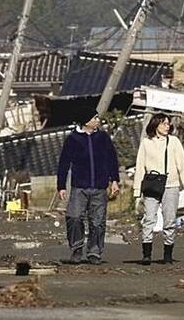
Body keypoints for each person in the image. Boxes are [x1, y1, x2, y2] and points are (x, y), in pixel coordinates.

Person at [57, 105, 120, 265]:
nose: (97, 120)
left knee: (98, 222)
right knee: (74, 217)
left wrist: (115, 180)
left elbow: (112, 159)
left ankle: (94, 252)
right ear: (85, 122)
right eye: (94, 118)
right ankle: (77, 248)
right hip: (80, 186)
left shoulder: (103, 138)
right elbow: (64, 163)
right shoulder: (73, 139)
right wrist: (61, 186)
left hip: (99, 186)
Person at [134, 113, 184, 265]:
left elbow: (182, 163)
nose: (167, 126)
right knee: (149, 219)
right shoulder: (146, 143)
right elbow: (140, 166)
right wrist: (137, 190)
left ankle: (168, 253)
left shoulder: (173, 142)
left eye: (168, 124)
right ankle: (146, 254)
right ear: (156, 125)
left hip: (171, 184)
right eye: (163, 123)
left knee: (169, 220)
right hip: (152, 184)